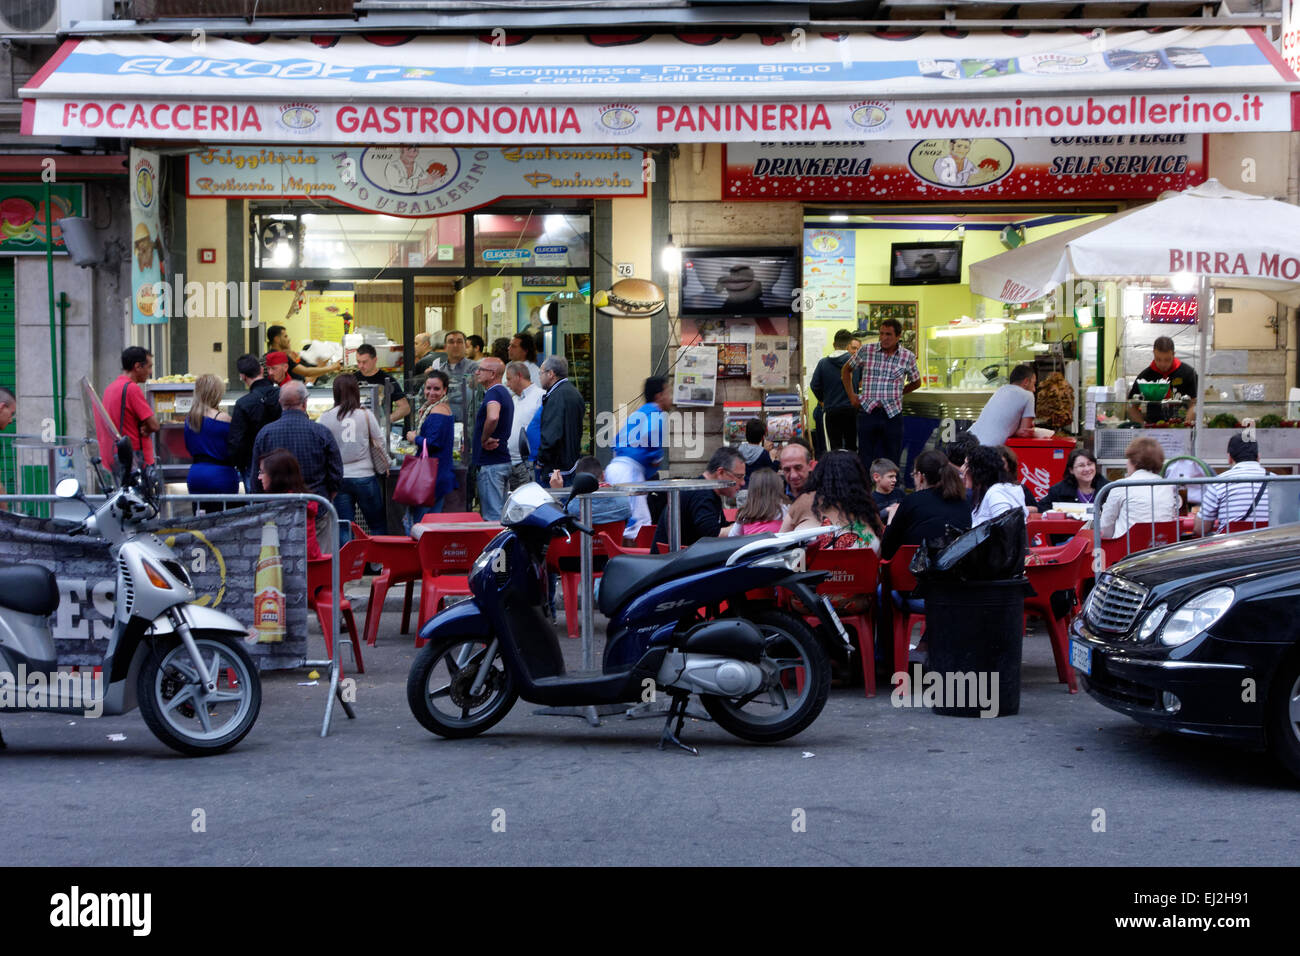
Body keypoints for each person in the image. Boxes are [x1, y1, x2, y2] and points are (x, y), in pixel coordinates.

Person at [252, 381, 344, 546]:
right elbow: (336, 472)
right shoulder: (321, 432)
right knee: (320, 562)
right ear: (305, 402)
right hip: (317, 507)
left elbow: (255, 479)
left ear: (281, 403)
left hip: (278, 511)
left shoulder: (264, 434)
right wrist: (327, 497)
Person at [842, 318, 921, 476]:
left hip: (892, 414)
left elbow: (916, 382)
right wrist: (851, 395)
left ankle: (891, 494)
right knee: (865, 457)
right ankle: (864, 492)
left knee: (892, 458)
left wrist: (900, 392)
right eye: (882, 333)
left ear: (898, 336)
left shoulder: (907, 357)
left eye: (889, 334)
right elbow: (846, 370)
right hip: (868, 411)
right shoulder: (867, 350)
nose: (884, 338)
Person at [319, 373, 389, 543]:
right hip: (365, 476)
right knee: (377, 524)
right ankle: (377, 564)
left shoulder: (326, 417)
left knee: (345, 526)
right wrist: (386, 462)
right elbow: (380, 442)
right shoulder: (365, 415)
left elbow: (322, 447)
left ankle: (350, 566)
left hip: (340, 478)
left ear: (335, 392)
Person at [606, 376, 671, 540]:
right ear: (659, 396)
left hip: (615, 468)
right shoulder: (656, 413)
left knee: (625, 524)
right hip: (630, 471)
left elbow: (615, 442)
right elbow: (648, 434)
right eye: (668, 392)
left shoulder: (639, 414)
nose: (671, 397)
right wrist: (655, 456)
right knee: (638, 525)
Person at [881, 449, 971, 560]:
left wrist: (891, 520)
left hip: (915, 573)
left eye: (914, 474)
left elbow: (886, 551)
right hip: (955, 572)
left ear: (921, 476)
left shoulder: (912, 501)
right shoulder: (963, 502)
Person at [652, 446, 744, 550]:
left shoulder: (706, 491)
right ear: (721, 472)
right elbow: (712, 536)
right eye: (739, 477)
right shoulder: (702, 494)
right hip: (675, 562)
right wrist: (745, 526)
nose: (743, 483)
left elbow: (719, 527)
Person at [798, 451, 885, 554]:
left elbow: (781, 541)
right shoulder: (867, 508)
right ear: (857, 478)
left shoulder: (804, 501)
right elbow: (880, 550)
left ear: (819, 476)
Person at [1098, 437, 1181, 540]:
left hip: (1126, 550)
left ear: (1134, 461)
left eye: (1127, 459)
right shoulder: (1168, 486)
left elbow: (1104, 528)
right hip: (1160, 548)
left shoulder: (1120, 486)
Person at [406, 369, 458, 521]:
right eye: (428, 388)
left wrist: (414, 438)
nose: (431, 392)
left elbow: (433, 443)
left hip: (431, 476)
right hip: (438, 474)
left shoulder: (437, 412)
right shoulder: (441, 408)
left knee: (420, 522)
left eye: (436, 389)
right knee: (432, 521)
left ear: (444, 390)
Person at [183, 373, 239, 512]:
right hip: (221, 475)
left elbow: (188, 447)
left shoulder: (190, 419)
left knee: (200, 522)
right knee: (224, 522)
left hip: (196, 474)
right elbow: (234, 449)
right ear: (216, 393)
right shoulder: (224, 418)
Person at [227, 353, 281, 492]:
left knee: (256, 505)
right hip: (282, 459)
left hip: (254, 463)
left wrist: (239, 464)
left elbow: (236, 441)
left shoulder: (243, 403)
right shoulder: (282, 394)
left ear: (243, 376)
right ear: (262, 370)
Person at [1197, 434, 1270, 534]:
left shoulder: (1219, 482)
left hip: (1229, 546)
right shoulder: (1279, 482)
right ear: (1258, 457)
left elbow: (1200, 528)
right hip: (1271, 545)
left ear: (1229, 458)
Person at [258, 448, 322, 561]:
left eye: (262, 472)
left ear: (276, 476)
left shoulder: (284, 506)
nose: (259, 477)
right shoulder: (300, 502)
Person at [103, 346, 160, 471]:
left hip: (117, 457)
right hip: (137, 459)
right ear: (138, 366)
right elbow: (154, 425)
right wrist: (147, 427)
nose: (150, 372)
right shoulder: (131, 388)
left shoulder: (110, 389)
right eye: (149, 367)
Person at [471, 357, 514, 522]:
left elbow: (493, 416)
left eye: (481, 369)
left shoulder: (494, 392)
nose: (477, 372)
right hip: (500, 462)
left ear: (492, 374)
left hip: (491, 464)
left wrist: (484, 438)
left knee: (492, 517)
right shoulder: (502, 392)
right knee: (501, 516)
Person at [1128, 335, 1198, 425]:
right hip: (1153, 427)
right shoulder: (1145, 377)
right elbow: (1131, 406)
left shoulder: (1188, 373)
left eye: (1167, 360)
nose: (1163, 364)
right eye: (1158, 359)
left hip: (1180, 425)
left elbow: (1193, 404)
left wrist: (1186, 426)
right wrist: (1143, 426)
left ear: (1173, 354)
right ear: (1153, 353)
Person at [810, 329, 859, 452]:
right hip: (851, 411)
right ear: (848, 346)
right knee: (852, 446)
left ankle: (835, 471)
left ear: (833, 344)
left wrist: (823, 400)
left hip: (831, 410)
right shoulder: (855, 363)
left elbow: (814, 385)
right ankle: (851, 470)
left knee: (833, 448)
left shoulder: (823, 363)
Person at [431, 330, 479, 454]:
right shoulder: (439, 370)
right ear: (445, 347)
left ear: (465, 346)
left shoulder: (474, 367)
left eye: (459, 342)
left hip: (467, 427)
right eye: (451, 342)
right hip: (443, 424)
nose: (455, 345)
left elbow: (470, 395)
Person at [537, 356, 585, 478]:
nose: (539, 377)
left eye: (541, 373)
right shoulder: (573, 392)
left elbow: (551, 436)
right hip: (570, 465)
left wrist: (541, 461)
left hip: (556, 470)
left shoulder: (556, 396)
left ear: (551, 374)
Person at [549, 457, 633, 525]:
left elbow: (558, 521)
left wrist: (557, 492)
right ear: (603, 475)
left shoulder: (573, 506)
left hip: (580, 545)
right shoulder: (624, 502)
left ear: (578, 479)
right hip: (611, 545)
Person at [968, 364, 1038, 445]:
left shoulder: (1001, 390)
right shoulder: (1028, 395)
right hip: (987, 450)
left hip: (968, 441)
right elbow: (1025, 432)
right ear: (1026, 382)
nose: (1034, 389)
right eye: (1033, 384)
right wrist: (1017, 431)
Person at [505, 361, 544, 491]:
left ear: (519, 376)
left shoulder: (541, 396)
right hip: (510, 463)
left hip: (528, 464)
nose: (507, 384)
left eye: (509, 379)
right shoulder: (513, 400)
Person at [968, 444, 1030, 527]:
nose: (963, 469)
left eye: (967, 465)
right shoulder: (1005, 488)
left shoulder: (996, 493)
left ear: (978, 470)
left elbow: (1006, 526)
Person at [354, 343, 411, 423]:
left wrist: (385, 421)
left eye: (364, 362)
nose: (360, 366)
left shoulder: (387, 380)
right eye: (358, 362)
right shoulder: (352, 379)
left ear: (375, 360)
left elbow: (405, 408)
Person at [1038, 449, 1108, 510]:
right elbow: (1042, 508)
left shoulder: (1109, 489)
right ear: (1071, 470)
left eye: (1090, 464)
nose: (1087, 469)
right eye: (1081, 465)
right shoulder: (1058, 491)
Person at [725, 467, 788, 536]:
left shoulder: (745, 513)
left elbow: (732, 535)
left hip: (752, 546)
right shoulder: (783, 511)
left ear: (751, 490)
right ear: (778, 488)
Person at [266, 325, 339, 383]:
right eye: (285, 336)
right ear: (277, 339)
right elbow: (307, 373)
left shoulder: (266, 356)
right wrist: (331, 367)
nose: (288, 339)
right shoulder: (281, 357)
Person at [777, 441, 818, 531]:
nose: (793, 475)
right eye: (787, 469)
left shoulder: (822, 493)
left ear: (810, 465)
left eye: (798, 468)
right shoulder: (775, 496)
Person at [737, 418, 775, 484]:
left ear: (746, 434)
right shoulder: (764, 453)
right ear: (762, 437)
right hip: (759, 487)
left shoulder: (739, 450)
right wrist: (775, 459)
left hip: (743, 485)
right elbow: (772, 472)